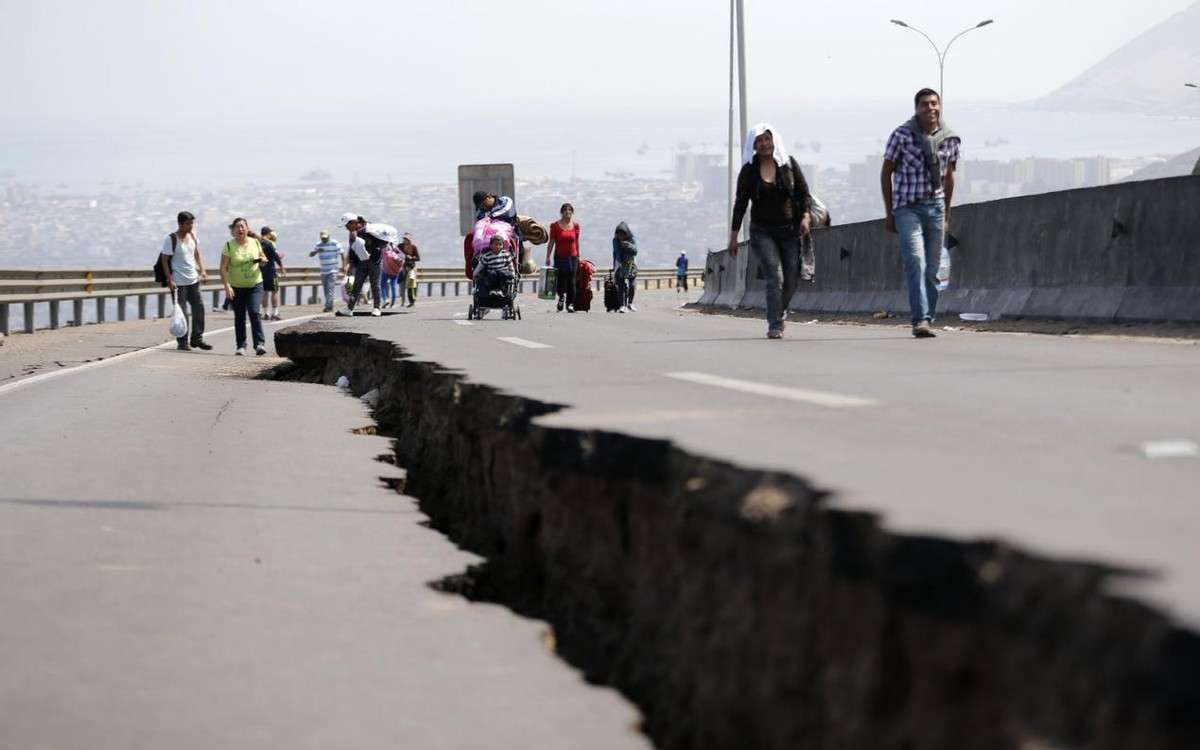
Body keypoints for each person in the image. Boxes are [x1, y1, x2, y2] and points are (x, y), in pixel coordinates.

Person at [881, 88, 960, 339]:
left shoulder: (950, 139)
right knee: (916, 260)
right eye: (925, 104)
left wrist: (946, 213)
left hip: (935, 207)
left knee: (933, 268)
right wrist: (889, 211)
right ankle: (920, 319)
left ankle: (928, 315)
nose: (931, 108)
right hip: (907, 207)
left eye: (934, 104)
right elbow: (886, 173)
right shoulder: (902, 135)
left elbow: (949, 178)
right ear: (916, 109)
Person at [729, 123, 811, 340]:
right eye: (759, 141)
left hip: (790, 230)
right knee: (775, 276)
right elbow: (740, 203)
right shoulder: (749, 171)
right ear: (753, 145)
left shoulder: (788, 165)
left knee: (792, 278)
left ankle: (780, 311)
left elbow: (804, 194)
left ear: (774, 141)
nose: (764, 144)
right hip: (762, 231)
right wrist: (734, 236)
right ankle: (774, 323)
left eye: (767, 139)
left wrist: (805, 217)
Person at [160, 210, 211, 351]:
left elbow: (196, 253)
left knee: (199, 309)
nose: (190, 226)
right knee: (182, 313)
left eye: (192, 223)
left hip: (193, 280)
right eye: (188, 224)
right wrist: (169, 279)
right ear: (180, 224)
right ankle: (182, 342)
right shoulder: (171, 239)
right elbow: (165, 260)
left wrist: (203, 270)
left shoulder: (193, 236)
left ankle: (197, 338)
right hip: (178, 282)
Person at [219, 217, 269, 356]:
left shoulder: (255, 243)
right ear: (233, 231)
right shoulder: (229, 246)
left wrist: (263, 261)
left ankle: (259, 344)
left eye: (243, 226)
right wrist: (227, 286)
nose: (240, 229)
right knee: (239, 316)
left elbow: (262, 258)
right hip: (236, 286)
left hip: (255, 284)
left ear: (247, 228)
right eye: (237, 227)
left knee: (254, 311)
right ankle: (241, 345)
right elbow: (223, 268)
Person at [336, 213, 383, 317]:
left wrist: (372, 250)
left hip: (374, 261)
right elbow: (352, 249)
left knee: (375, 285)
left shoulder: (370, 229)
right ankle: (349, 309)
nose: (346, 228)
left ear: (353, 222)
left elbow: (381, 243)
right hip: (361, 262)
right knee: (356, 286)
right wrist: (350, 264)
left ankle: (376, 308)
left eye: (347, 225)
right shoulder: (352, 233)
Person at [545, 203, 581, 312]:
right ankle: (561, 297)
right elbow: (551, 242)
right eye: (565, 210)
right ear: (562, 212)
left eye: (570, 210)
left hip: (572, 257)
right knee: (560, 280)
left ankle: (570, 304)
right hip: (560, 257)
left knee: (572, 281)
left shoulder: (576, 226)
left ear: (572, 212)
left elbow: (576, 241)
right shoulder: (555, 226)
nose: (568, 212)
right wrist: (548, 256)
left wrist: (578, 255)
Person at [309, 230, 344, 313]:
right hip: (323, 271)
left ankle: (328, 307)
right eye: (322, 238)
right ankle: (329, 305)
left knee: (330, 289)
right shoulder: (318, 245)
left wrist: (343, 265)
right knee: (326, 289)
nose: (324, 240)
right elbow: (311, 255)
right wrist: (316, 251)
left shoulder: (335, 243)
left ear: (329, 236)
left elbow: (342, 253)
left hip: (333, 270)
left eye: (325, 238)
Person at [258, 227, 286, 321]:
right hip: (270, 271)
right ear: (268, 234)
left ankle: (265, 313)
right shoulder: (269, 244)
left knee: (265, 292)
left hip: (261, 272)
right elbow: (275, 257)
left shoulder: (257, 243)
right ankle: (274, 313)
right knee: (274, 291)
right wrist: (281, 267)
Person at [611, 221, 639, 313]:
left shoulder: (632, 239)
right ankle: (622, 306)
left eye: (623, 234)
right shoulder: (615, 241)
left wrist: (628, 246)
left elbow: (635, 251)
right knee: (621, 285)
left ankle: (630, 303)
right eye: (619, 234)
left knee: (632, 285)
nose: (621, 236)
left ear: (627, 234)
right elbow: (618, 254)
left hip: (631, 263)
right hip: (620, 263)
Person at [380, 242, 404, 309]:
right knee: (393, 287)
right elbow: (401, 256)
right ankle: (392, 304)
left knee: (382, 285)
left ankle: (385, 299)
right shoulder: (393, 246)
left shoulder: (382, 247)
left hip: (386, 270)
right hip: (395, 271)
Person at [400, 233, 420, 307]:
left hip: (411, 268)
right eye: (404, 239)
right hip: (401, 268)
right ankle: (402, 302)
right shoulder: (400, 246)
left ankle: (412, 301)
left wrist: (412, 258)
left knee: (410, 285)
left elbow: (418, 258)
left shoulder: (413, 247)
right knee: (401, 285)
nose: (405, 240)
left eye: (407, 239)